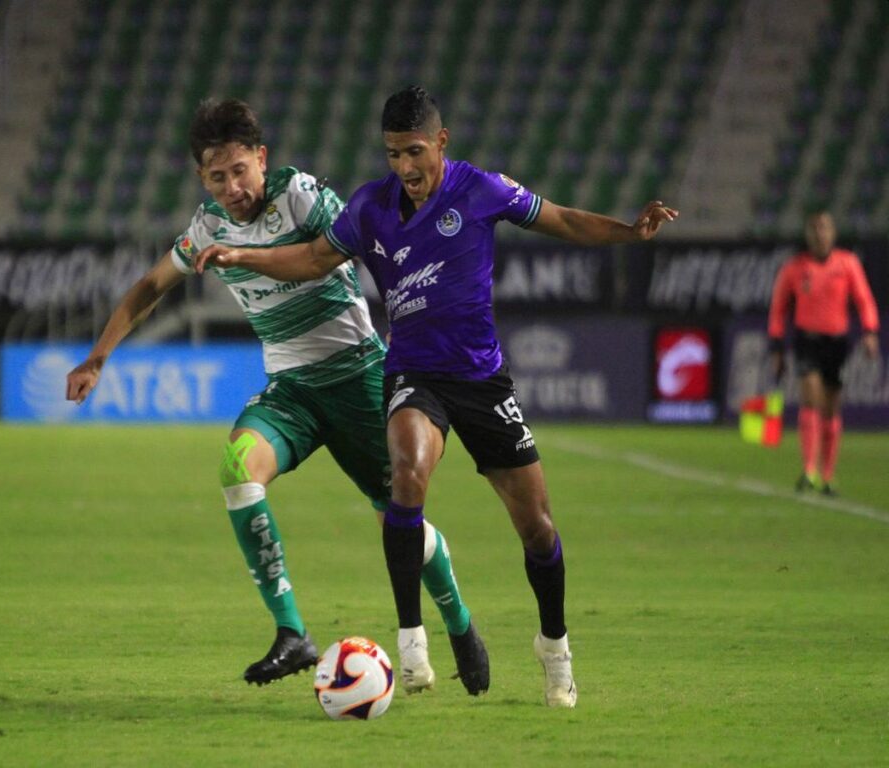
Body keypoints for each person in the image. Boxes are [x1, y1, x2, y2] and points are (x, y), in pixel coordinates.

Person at [195, 86, 678, 707]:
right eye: (393, 154)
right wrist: (244, 256)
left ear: (441, 142)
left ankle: (554, 647)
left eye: (415, 152)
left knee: (537, 529)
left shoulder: (482, 190)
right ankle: (412, 642)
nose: (405, 167)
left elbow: (560, 219)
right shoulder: (370, 207)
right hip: (412, 374)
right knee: (405, 478)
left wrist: (629, 232)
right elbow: (314, 258)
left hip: (481, 380)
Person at [65, 98, 477, 692]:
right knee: (238, 470)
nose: (232, 188)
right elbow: (149, 287)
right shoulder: (208, 228)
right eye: (217, 177)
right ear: (201, 178)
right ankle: (292, 632)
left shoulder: (300, 196)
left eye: (240, 171)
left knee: (400, 518)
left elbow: (356, 247)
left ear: (262, 159)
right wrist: (97, 358)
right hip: (293, 390)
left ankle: (459, 624)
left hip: (358, 378)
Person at [768, 210, 880, 496]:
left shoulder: (847, 263)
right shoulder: (795, 268)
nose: (820, 233)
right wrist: (777, 347)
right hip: (807, 341)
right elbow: (778, 309)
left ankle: (828, 475)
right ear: (808, 234)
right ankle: (809, 470)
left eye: (824, 227)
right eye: (815, 228)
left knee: (831, 408)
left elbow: (864, 299)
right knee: (810, 397)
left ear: (833, 232)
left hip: (837, 343)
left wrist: (869, 331)